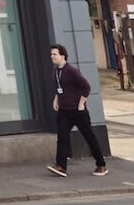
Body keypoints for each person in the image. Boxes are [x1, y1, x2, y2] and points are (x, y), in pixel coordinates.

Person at [46, 43, 109, 176]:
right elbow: (60, 87)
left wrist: (81, 104)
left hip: (77, 111)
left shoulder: (72, 71)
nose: (52, 56)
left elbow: (86, 87)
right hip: (64, 111)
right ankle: (61, 166)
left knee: (89, 136)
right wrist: (56, 99)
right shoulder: (56, 70)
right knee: (62, 137)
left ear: (62, 56)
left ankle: (101, 165)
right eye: (51, 54)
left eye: (55, 54)